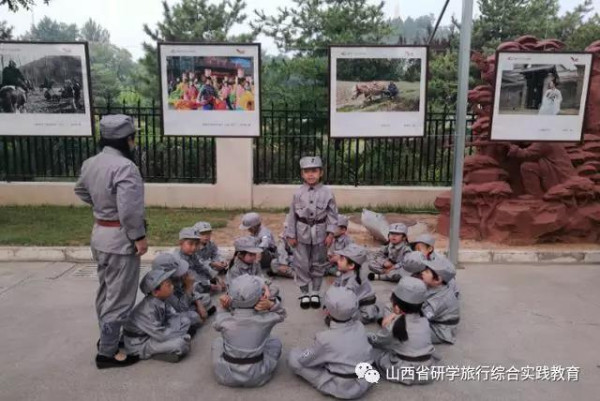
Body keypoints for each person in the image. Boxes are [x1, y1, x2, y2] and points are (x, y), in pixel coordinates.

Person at [74, 115, 147, 369]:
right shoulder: (126, 168)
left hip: (100, 235)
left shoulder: (91, 163)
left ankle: (106, 336)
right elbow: (129, 211)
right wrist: (139, 237)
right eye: (133, 138)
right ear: (126, 140)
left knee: (105, 291)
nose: (134, 142)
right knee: (120, 297)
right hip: (120, 239)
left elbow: (81, 190)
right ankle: (108, 352)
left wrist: (102, 208)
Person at [288, 287, 374, 399]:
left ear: (327, 311)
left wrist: (307, 351)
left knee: (294, 358)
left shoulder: (324, 338)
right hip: (365, 380)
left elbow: (304, 361)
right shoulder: (360, 326)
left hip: (342, 387)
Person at [212, 275, 286, 387]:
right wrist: (271, 305)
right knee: (275, 341)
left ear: (230, 297)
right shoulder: (266, 319)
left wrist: (223, 307)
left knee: (217, 342)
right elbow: (282, 315)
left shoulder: (225, 320)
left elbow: (218, 322)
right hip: (257, 376)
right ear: (260, 297)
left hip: (227, 376)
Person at [285, 156, 338, 309]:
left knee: (318, 263)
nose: (310, 175)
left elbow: (333, 215)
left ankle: (315, 292)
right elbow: (292, 215)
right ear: (302, 174)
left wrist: (330, 233)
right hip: (301, 232)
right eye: (307, 171)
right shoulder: (298, 193)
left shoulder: (328, 193)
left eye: (314, 171)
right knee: (301, 264)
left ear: (321, 172)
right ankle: (304, 293)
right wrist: (291, 234)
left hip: (321, 232)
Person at [368, 277, 435, 385]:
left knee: (373, 352)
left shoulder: (395, 326)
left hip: (403, 370)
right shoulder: (425, 321)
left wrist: (367, 336)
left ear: (397, 308)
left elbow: (378, 340)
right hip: (426, 370)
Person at [123, 268, 192, 363]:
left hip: (155, 333)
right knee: (180, 344)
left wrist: (178, 330)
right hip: (141, 343)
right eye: (168, 285)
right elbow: (161, 335)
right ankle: (158, 353)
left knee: (185, 320)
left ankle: (175, 341)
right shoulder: (147, 311)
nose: (172, 287)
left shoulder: (161, 299)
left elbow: (173, 316)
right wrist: (182, 334)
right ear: (155, 292)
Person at [406, 255, 460, 344]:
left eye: (427, 272)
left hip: (439, 331)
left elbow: (422, 318)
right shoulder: (436, 286)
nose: (422, 272)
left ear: (437, 279)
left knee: (404, 330)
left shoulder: (441, 299)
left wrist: (401, 316)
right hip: (432, 320)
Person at [506, 142, 576, 198]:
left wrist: (511, 147)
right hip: (559, 172)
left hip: (559, 175)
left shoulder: (544, 141)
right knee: (531, 166)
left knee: (527, 167)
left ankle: (535, 196)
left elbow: (527, 154)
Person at [332, 244, 381, 325]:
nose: (338, 261)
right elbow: (336, 285)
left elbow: (347, 302)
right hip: (356, 302)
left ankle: (375, 314)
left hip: (363, 309)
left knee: (339, 320)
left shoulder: (353, 281)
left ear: (351, 265)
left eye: (341, 259)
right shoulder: (347, 272)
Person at [410, 233, 459, 298]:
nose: (416, 252)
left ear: (430, 249)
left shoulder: (439, 260)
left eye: (419, 249)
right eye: (415, 250)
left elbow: (451, 275)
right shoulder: (420, 258)